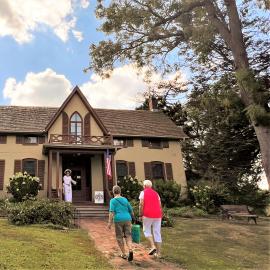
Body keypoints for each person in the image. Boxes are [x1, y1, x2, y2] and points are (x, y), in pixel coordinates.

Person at [107, 185, 134, 261]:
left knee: (119, 237)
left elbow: (111, 212)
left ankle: (124, 254)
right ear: (120, 191)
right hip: (127, 218)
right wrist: (133, 218)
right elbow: (131, 210)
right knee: (128, 235)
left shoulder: (112, 201)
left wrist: (109, 222)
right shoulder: (125, 199)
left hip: (118, 220)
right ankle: (130, 250)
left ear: (113, 192)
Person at [139, 180, 162, 258]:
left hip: (147, 214)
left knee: (146, 230)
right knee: (157, 232)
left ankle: (153, 246)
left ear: (144, 186)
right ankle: (158, 254)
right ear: (151, 186)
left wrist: (140, 214)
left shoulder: (143, 192)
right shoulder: (156, 193)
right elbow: (159, 205)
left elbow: (141, 204)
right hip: (158, 215)